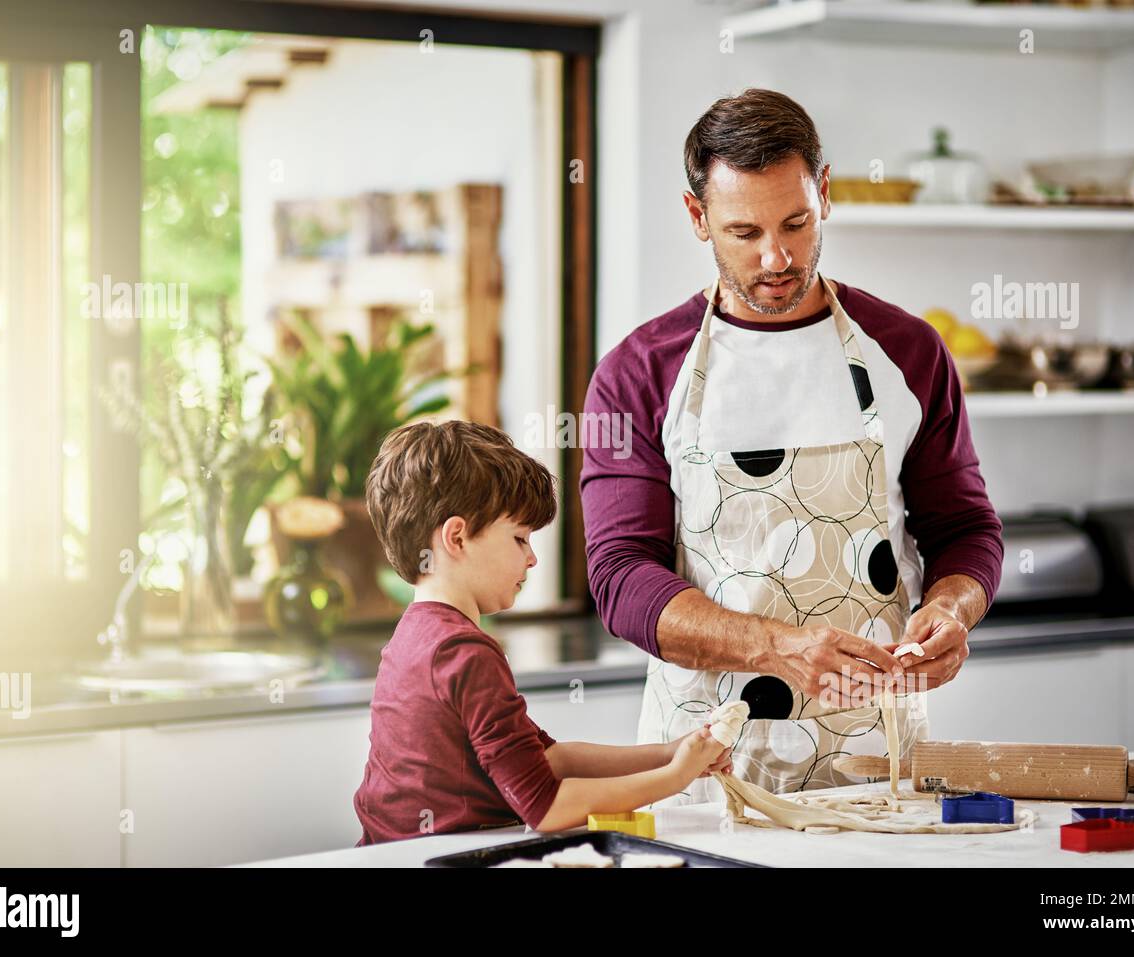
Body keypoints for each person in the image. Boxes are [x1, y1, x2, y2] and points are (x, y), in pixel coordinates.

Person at [580, 89, 1005, 806]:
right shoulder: (637, 372)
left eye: (796, 223)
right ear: (697, 218)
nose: (776, 256)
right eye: (743, 231)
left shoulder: (907, 352)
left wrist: (954, 608)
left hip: (879, 766)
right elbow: (620, 579)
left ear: (826, 194)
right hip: (704, 773)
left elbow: (966, 530)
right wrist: (778, 647)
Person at [354, 420, 732, 844]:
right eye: (519, 538)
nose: (532, 558)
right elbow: (548, 807)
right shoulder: (464, 651)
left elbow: (552, 759)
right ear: (457, 537)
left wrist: (670, 753)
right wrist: (674, 777)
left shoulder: (415, 634)